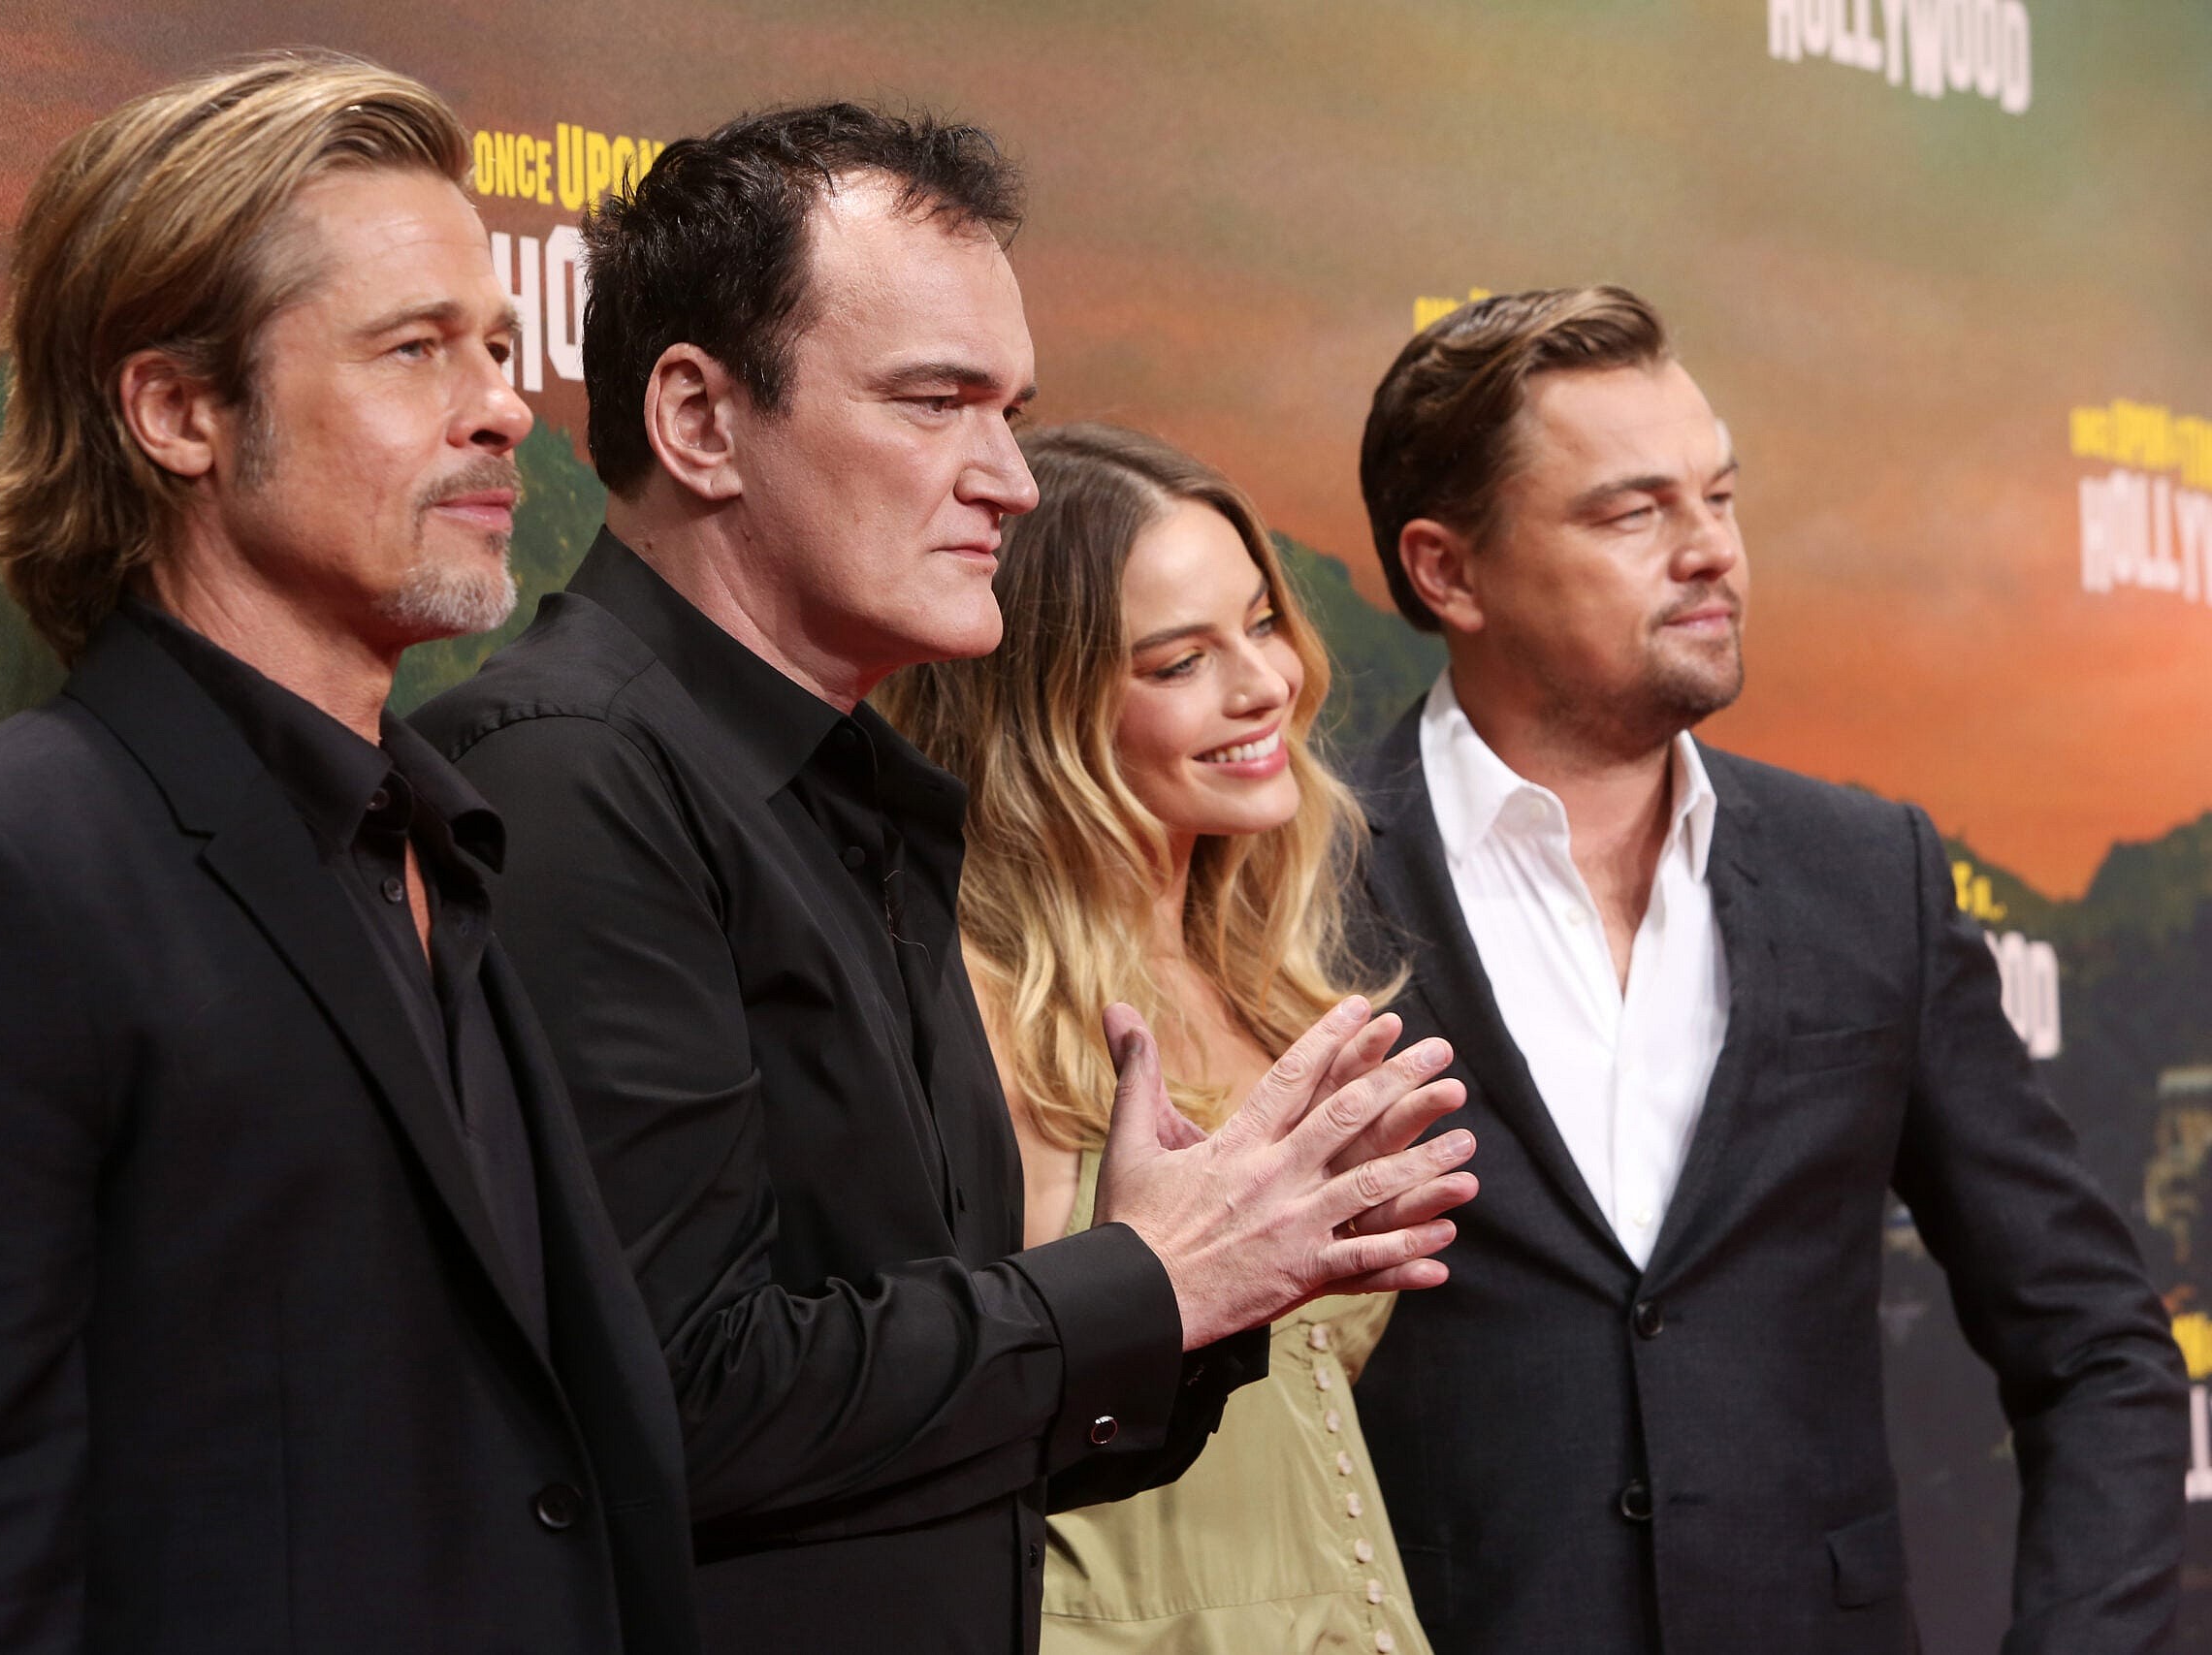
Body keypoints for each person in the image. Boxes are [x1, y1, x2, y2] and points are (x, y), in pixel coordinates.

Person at [411, 104, 1479, 1655]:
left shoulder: (848, 794)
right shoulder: (567, 774)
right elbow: (673, 1389)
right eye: (935, 405)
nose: (1011, 481)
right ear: (701, 421)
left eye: (1012, 411)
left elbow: (947, 1433)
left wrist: (1185, 1293)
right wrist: (1144, 1279)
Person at [0, 53, 698, 1654]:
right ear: (179, 410)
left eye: (501, 347)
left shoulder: (444, 845)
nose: (505, 403)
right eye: (414, 350)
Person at [1346, 284, 2190, 1653]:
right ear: (1448, 571)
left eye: (1720, 497)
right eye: (1633, 513)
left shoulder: (1868, 875)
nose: (1711, 553)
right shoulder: (1283, 878)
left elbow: (2100, 1344)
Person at [882, 422, 1445, 1655]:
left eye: (1260, 623)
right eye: (1181, 660)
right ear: (1043, 706)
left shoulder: (1270, 983)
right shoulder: (975, 1000)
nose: (1265, 684)